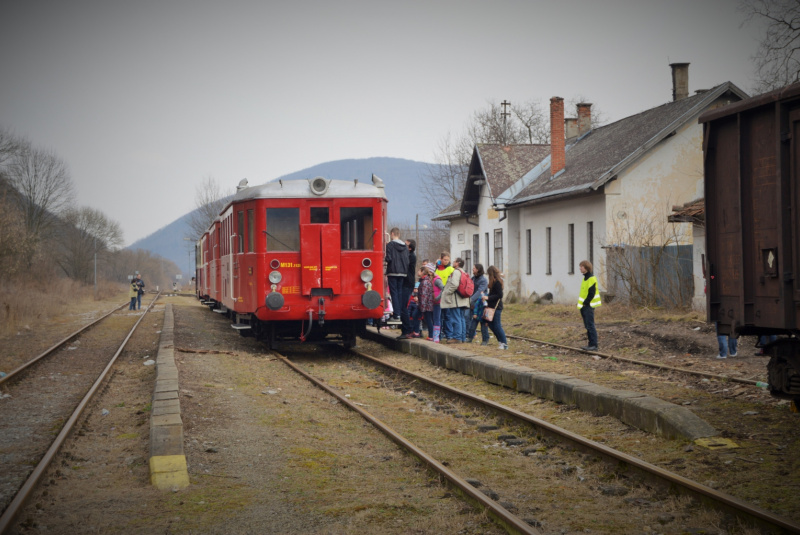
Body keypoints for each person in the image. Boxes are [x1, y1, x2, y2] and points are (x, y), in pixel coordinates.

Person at [441, 259, 469, 343]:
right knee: (461, 318)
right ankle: (462, 337)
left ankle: (457, 337)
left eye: (454, 261)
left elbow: (454, 284)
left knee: (456, 318)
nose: (452, 263)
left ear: (458, 263)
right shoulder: (464, 272)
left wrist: (448, 292)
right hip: (462, 299)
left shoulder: (456, 272)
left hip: (456, 300)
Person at [385, 228, 409, 324]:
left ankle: (396, 315)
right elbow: (407, 260)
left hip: (393, 271)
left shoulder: (390, 245)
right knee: (399, 293)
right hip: (403, 272)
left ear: (392, 234)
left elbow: (389, 258)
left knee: (393, 293)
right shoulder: (405, 247)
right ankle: (399, 313)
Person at [577, 260, 601, 351]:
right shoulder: (585, 278)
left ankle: (594, 345)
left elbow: (591, 293)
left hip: (588, 306)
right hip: (584, 306)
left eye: (581, 266)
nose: (580, 268)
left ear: (586, 267)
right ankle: (590, 344)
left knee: (590, 325)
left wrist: (586, 303)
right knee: (587, 325)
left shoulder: (591, 278)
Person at [482, 266, 508, 349]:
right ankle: (500, 341)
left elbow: (499, 295)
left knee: (497, 325)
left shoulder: (497, 283)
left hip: (496, 307)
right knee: (490, 324)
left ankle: (504, 343)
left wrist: (488, 298)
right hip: (491, 307)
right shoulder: (494, 282)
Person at [399, 238, 417, 338]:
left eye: (405, 245)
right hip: (405, 283)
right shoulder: (408, 255)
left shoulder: (410, 257)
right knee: (402, 307)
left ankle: (407, 330)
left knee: (403, 307)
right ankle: (406, 330)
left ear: (409, 248)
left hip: (407, 284)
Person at [435, 253, 454, 340]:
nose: (446, 261)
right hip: (439, 296)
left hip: (447, 296)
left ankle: (449, 334)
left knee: (447, 316)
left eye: (447, 260)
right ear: (441, 259)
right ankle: (440, 334)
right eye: (445, 259)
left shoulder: (451, 269)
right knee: (439, 316)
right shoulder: (437, 269)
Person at [467, 263, 488, 343]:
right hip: (473, 304)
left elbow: (480, 292)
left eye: (474, 268)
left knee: (483, 324)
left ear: (478, 270)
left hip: (481, 305)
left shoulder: (483, 280)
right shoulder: (473, 278)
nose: (473, 269)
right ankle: (470, 337)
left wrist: (471, 300)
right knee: (472, 323)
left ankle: (485, 340)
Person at [417, 263, 435, 340]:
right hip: (427, 305)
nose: (418, 272)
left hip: (426, 305)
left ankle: (431, 335)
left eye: (419, 270)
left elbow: (424, 295)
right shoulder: (426, 280)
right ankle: (428, 334)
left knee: (428, 320)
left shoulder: (425, 282)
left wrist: (422, 307)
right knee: (428, 319)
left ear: (422, 272)